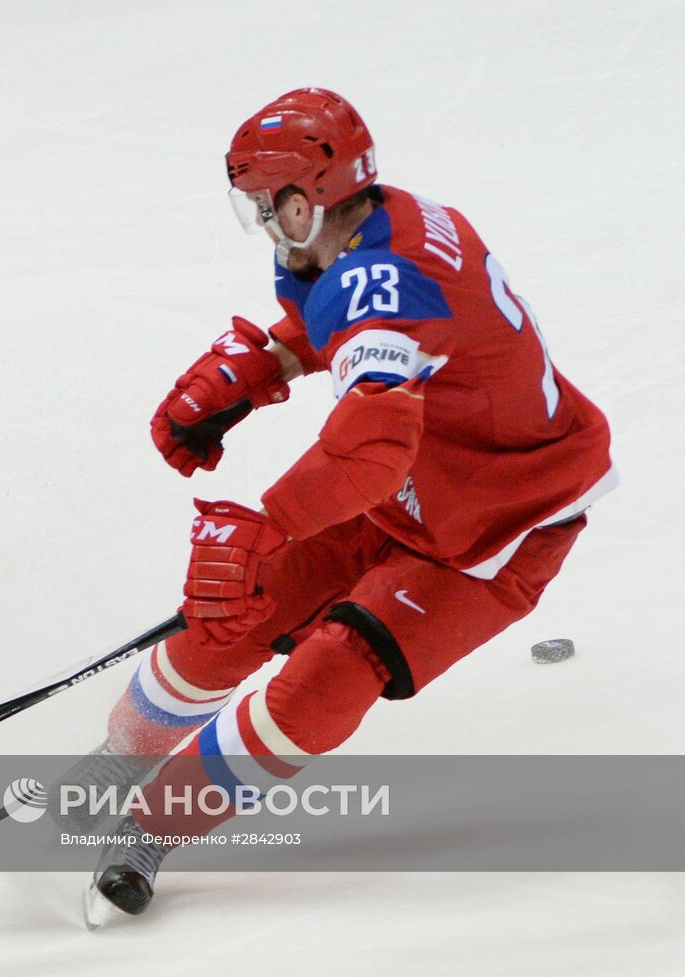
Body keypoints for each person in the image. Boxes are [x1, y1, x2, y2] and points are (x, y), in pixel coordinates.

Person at [82, 88, 616, 920]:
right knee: (235, 610)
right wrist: (260, 367)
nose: (262, 225)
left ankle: (147, 827)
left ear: (305, 200)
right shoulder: (367, 229)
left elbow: (369, 445)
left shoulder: (385, 275)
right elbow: (355, 336)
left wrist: (268, 523)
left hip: (493, 528)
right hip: (407, 490)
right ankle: (118, 760)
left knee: (330, 673)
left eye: (267, 207)